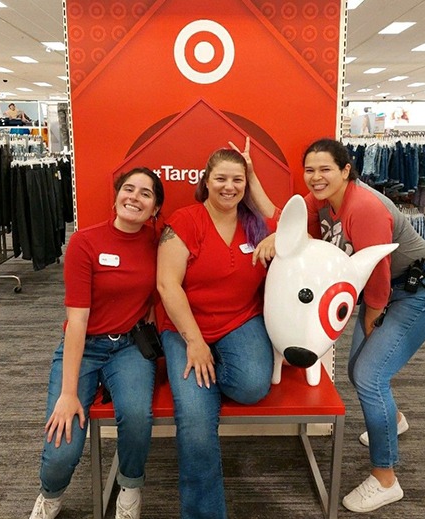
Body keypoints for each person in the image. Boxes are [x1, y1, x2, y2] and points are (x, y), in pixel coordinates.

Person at [251, 138, 425, 513]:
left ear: (346, 170)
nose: (315, 177)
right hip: (387, 291)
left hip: (416, 291)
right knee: (362, 370)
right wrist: (272, 222)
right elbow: (289, 222)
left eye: (325, 169)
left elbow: (376, 277)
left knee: (368, 375)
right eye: (309, 170)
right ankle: (394, 419)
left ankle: (385, 478)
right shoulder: (320, 202)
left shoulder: (364, 208)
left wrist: (371, 323)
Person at [29, 167, 164, 519]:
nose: (134, 197)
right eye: (128, 189)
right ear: (117, 195)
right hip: (84, 345)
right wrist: (69, 393)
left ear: (155, 208)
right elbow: (77, 322)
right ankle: (50, 494)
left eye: (145, 193)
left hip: (131, 348)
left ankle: (130, 487)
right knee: (62, 448)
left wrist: (149, 306)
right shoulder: (85, 242)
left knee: (136, 416)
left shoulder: (159, 241)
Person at [156, 147, 278, 519]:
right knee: (195, 421)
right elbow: (166, 285)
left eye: (237, 180)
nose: (229, 187)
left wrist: (275, 230)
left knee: (253, 386)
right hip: (184, 326)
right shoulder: (186, 220)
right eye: (221, 178)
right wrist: (195, 342)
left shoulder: (256, 223)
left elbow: (294, 226)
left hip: (241, 320)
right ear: (205, 181)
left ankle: (214, 371)